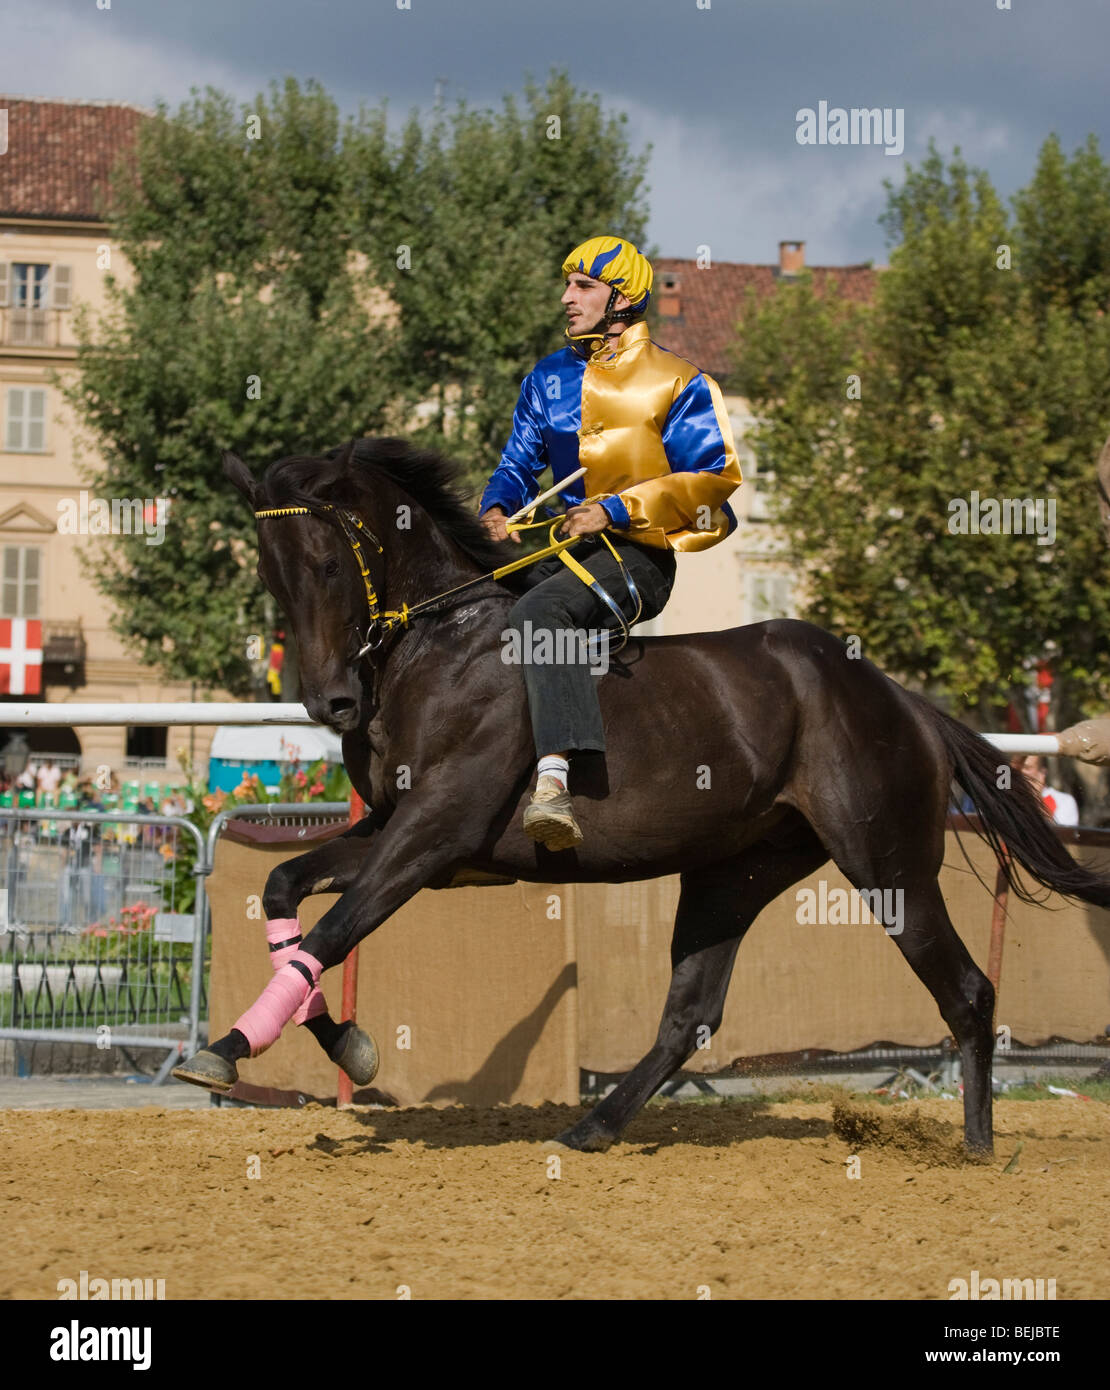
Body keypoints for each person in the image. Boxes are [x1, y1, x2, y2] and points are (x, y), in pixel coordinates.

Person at [480, 234, 743, 850]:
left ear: (621, 299)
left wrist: (619, 508)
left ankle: (552, 786)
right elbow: (518, 464)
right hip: (552, 547)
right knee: (468, 604)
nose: (567, 298)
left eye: (583, 287)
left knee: (540, 612)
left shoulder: (679, 380)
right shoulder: (544, 378)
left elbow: (714, 479)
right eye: (568, 284)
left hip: (637, 557)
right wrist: (496, 506)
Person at [1020, 755, 1079, 827]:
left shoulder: (1063, 801)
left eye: (1026, 768)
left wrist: (1036, 798)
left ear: (1042, 773)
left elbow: (1060, 835)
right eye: (1017, 767)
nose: (1020, 772)